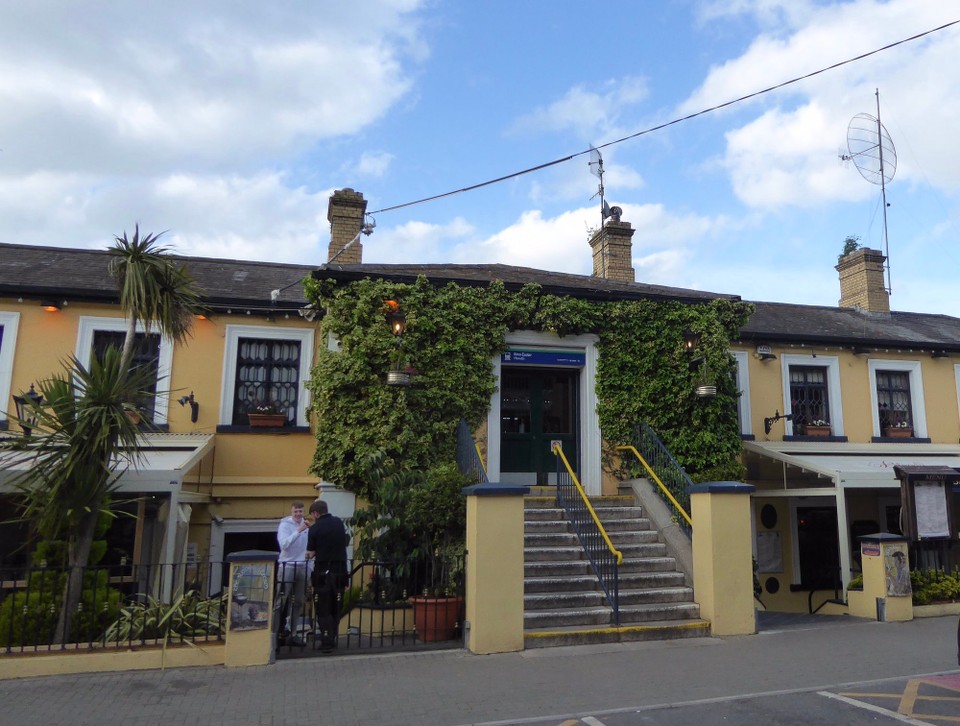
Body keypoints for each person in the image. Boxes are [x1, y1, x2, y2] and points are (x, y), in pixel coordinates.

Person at [306, 498, 349, 652]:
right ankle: (333, 636)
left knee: (323, 608)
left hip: (323, 573)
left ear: (316, 513)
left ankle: (326, 641)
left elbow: (310, 553)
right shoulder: (338, 523)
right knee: (336, 606)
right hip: (340, 571)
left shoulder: (314, 529)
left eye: (312, 515)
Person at [275, 500, 310, 646]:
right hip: (287, 565)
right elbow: (284, 544)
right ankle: (274, 633)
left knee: (299, 601)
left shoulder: (308, 525)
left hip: (303, 566)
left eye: (300, 511)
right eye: (296, 511)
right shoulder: (285, 525)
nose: (298, 514)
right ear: (291, 512)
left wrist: (310, 566)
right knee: (281, 601)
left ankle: (294, 633)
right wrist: (298, 530)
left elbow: (310, 546)